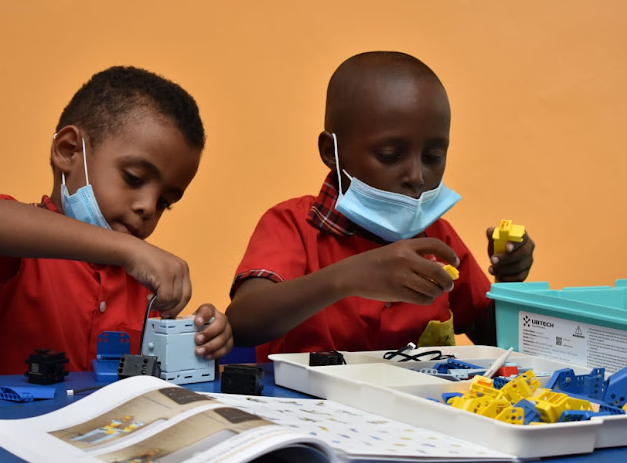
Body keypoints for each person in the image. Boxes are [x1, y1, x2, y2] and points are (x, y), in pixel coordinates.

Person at [226, 51, 535, 362]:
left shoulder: (438, 238)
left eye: (432, 157)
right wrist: (348, 277)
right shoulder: (292, 225)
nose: (416, 176)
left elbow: (492, 338)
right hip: (308, 407)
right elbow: (243, 323)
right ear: (330, 152)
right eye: (389, 155)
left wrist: (509, 284)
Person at [0, 66, 233, 376]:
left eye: (166, 203)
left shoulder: (144, 283)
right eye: (133, 178)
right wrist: (127, 249)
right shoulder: (13, 250)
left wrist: (203, 338)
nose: (148, 207)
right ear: (68, 150)